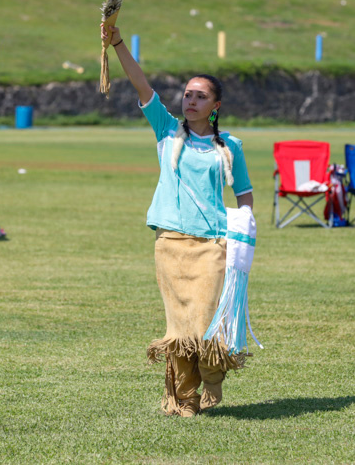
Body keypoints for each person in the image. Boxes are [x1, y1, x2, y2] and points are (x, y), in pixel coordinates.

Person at [102, 23, 255, 417]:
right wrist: (116, 41)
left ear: (215, 105)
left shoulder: (230, 146)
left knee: (205, 325)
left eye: (200, 96)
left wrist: (246, 231)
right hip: (169, 243)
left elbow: (243, 195)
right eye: (187, 94)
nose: (190, 100)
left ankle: (213, 375)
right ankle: (183, 401)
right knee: (180, 331)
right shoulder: (167, 131)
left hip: (213, 245)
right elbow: (141, 86)